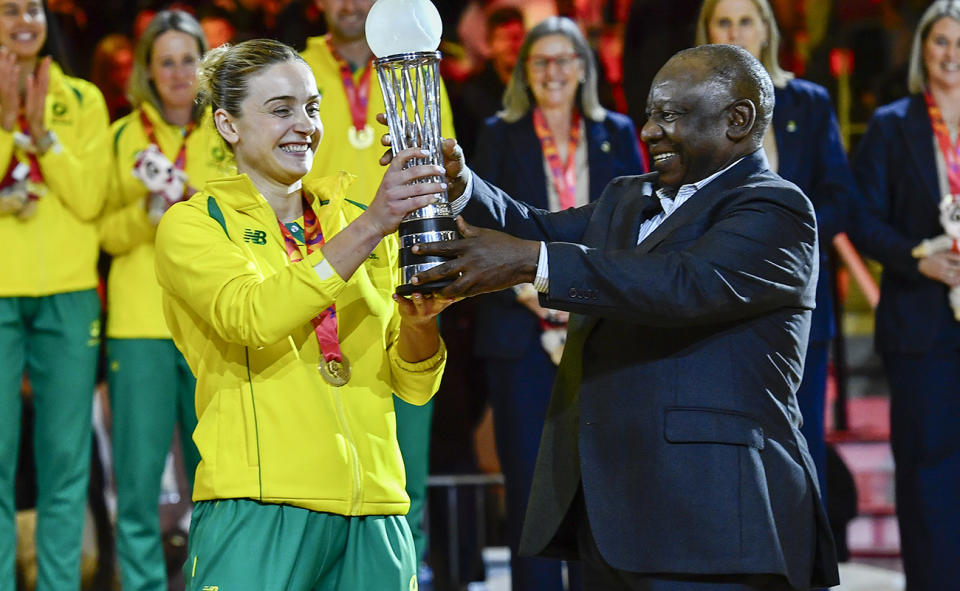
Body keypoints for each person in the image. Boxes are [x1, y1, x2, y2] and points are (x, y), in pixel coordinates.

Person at [409, 44, 839, 591]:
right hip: (609, 514)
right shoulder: (627, 197)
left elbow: (682, 285)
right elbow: (536, 226)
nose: (650, 130)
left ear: (738, 120)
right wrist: (463, 186)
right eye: (649, 114)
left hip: (713, 522)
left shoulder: (777, 209)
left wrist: (527, 262)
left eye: (670, 114)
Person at [154, 38, 450, 591]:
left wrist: (419, 322)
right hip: (260, 507)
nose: (305, 125)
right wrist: (371, 226)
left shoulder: (359, 221)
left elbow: (413, 383)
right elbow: (251, 317)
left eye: (312, 107)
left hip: (377, 509)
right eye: (281, 109)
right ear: (228, 125)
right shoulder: (195, 225)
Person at [469, 15, 643, 591]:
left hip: (601, 332)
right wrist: (535, 288)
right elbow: (479, 220)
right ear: (524, 72)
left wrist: (584, 291)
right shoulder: (498, 132)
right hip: (519, 333)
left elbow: (635, 226)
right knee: (531, 490)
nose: (552, 72)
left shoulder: (617, 132)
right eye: (539, 61)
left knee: (604, 487)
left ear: (583, 70)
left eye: (563, 60)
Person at [300, 0, 457, 567]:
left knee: (407, 458)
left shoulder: (417, 67)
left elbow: (441, 170)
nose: (352, 6)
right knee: (326, 456)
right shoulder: (299, 70)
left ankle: (405, 572)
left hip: (403, 270)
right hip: (321, 275)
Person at [696, 0, 857, 503]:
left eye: (747, 20)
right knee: (733, 454)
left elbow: (840, 198)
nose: (736, 31)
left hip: (799, 306)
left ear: (766, 30)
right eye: (724, 21)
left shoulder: (808, 103)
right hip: (718, 310)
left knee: (800, 449)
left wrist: (782, 237)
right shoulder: (690, 109)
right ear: (707, 32)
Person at [96, 11, 233, 591]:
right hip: (141, 322)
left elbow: (252, 218)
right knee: (139, 483)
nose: (179, 73)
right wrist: (144, 215)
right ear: (147, 71)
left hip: (212, 319)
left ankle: (216, 582)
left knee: (219, 477)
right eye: (166, 61)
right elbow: (104, 234)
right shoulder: (124, 135)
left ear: (206, 65)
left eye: (189, 59)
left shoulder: (228, 129)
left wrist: (197, 207)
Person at [847, 2, 960, 588]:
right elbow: (862, 219)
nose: (951, 54)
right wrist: (922, 257)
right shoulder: (892, 125)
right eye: (941, 41)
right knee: (926, 474)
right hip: (921, 326)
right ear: (923, 51)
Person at [0, 0, 110, 589]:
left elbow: (92, 199)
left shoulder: (83, 98)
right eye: (8, 9)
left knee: (65, 461)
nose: (23, 19)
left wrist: (44, 139)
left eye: (32, 8)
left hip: (69, 292)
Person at [452, 6, 525, 160]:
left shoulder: (537, 86)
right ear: (490, 45)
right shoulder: (472, 95)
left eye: (517, 37)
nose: (513, 45)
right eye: (504, 38)